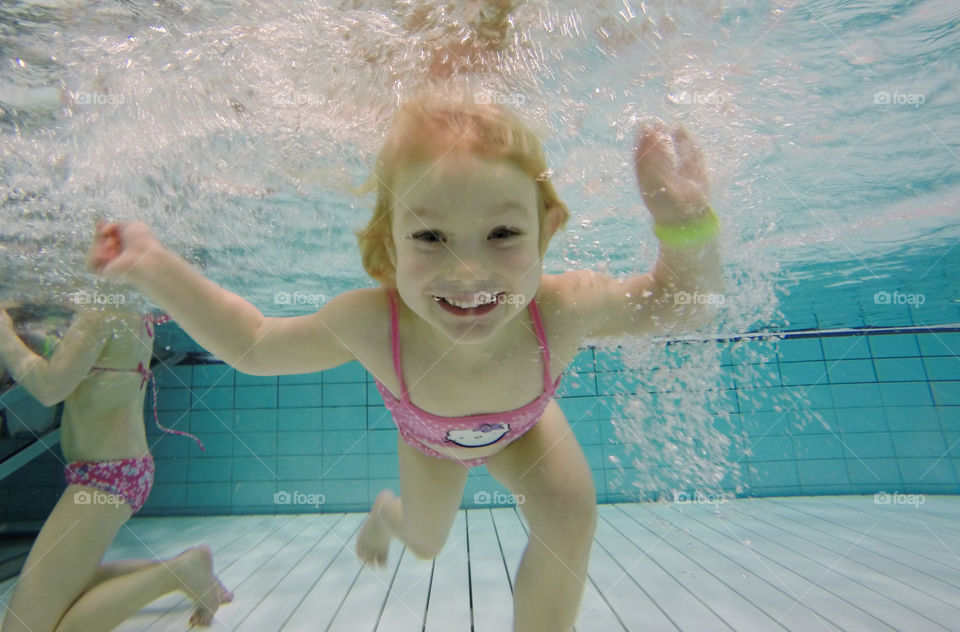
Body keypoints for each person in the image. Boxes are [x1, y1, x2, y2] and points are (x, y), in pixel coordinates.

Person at [87, 92, 722, 631]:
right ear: (386, 243)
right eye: (429, 237)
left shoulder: (562, 308)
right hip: (431, 443)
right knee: (426, 542)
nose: (468, 272)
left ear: (546, 228)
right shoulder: (372, 323)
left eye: (503, 234)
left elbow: (682, 305)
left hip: (527, 431)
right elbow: (253, 343)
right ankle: (390, 516)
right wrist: (151, 265)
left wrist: (687, 224)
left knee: (571, 516)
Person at [0, 303, 233, 631]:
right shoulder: (129, 311)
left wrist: (3, 332)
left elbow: (50, 388)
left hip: (103, 477)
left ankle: (179, 572)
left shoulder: (102, 312)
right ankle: (183, 569)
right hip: (119, 469)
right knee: (66, 586)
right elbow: (77, 359)